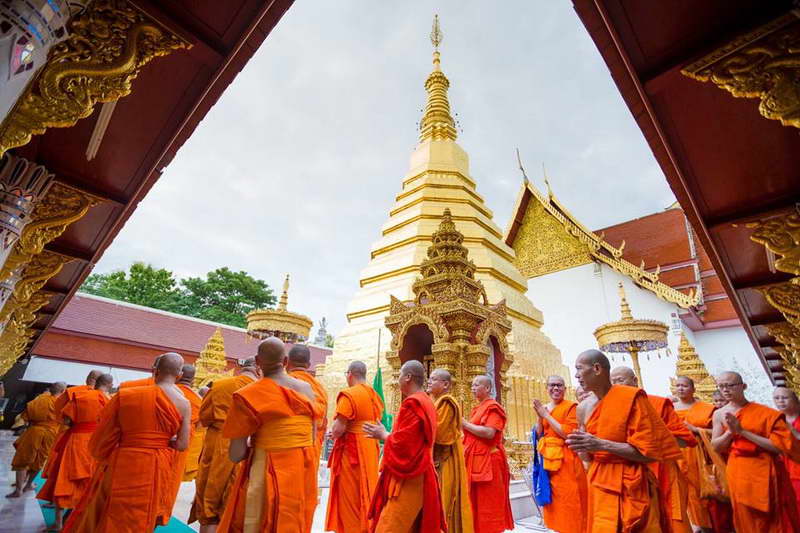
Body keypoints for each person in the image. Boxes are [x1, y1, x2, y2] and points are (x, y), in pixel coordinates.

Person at [63, 353, 191, 532]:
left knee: (110, 508)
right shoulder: (184, 403)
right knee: (142, 513)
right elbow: (183, 445)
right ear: (179, 375)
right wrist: (163, 441)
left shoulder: (127, 394)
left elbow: (105, 433)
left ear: (154, 370)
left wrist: (102, 455)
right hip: (156, 463)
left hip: (123, 459)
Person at [566, 350, 681, 533]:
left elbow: (650, 454)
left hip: (633, 483)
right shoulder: (583, 408)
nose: (576, 375)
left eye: (579, 368)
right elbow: (587, 457)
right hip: (600, 483)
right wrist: (580, 444)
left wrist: (602, 444)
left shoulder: (632, 399)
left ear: (597, 369)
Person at [216, 337, 318, 533]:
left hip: (266, 466)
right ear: (286, 362)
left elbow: (235, 454)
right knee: (293, 520)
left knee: (260, 520)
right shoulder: (306, 389)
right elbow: (311, 436)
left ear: (257, 361)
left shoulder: (247, 394)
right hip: (301, 466)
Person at [711, 372, 800, 532]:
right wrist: (730, 432)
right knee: (746, 517)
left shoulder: (766, 414)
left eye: (730, 385)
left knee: (775, 517)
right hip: (739, 471)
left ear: (743, 386)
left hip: (766, 469)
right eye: (721, 386)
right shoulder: (719, 414)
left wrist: (742, 431)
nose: (725, 390)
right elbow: (716, 446)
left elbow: (779, 447)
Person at [610, 366, 694, 533]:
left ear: (635, 381)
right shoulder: (609, 408)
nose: (616, 385)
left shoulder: (658, 403)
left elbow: (684, 440)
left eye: (620, 380)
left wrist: (653, 439)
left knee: (672, 520)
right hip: (628, 476)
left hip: (662, 471)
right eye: (612, 382)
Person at [364, 360, 444, 533]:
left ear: (408, 377)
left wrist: (383, 434)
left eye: (400, 374)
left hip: (410, 475)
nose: (398, 378)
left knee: (389, 527)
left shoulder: (413, 403)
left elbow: (405, 444)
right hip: (420, 471)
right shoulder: (426, 401)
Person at [191, 357, 261, 531]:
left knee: (210, 502)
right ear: (259, 369)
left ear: (240, 368)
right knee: (234, 501)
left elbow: (204, 419)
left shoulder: (220, 386)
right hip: (247, 446)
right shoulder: (262, 391)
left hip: (218, 445)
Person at [38, 373, 114, 530]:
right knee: (88, 483)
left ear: (93, 381)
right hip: (97, 445)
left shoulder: (80, 395)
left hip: (76, 441)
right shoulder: (111, 401)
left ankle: (58, 523)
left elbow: (65, 420)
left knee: (64, 479)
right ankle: (76, 520)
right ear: (110, 385)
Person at [325, 360, 384, 533]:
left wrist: (332, 433)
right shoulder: (374, 395)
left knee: (350, 495)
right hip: (369, 446)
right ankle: (367, 526)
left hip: (353, 451)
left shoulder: (349, 394)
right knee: (367, 488)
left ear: (350, 374)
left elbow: (339, 427)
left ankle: (353, 529)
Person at [533, 375, 587, 533]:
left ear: (564, 389)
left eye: (559, 385)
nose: (555, 388)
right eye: (552, 385)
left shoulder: (572, 407)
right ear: (547, 388)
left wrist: (545, 415)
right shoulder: (545, 408)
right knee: (553, 504)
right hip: (548, 462)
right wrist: (539, 417)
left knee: (570, 501)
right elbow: (539, 434)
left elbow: (567, 433)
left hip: (567, 461)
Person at [462, 375, 514, 533]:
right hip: (476, 460)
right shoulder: (477, 408)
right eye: (472, 384)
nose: (473, 387)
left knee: (489, 502)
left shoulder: (493, 407)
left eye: (477, 384)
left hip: (490, 462)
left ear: (488, 389)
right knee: (476, 503)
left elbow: (489, 433)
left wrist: (464, 424)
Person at [426, 368, 473, 533]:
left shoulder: (447, 403)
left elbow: (438, 434)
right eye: (429, 378)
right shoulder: (433, 402)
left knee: (445, 503)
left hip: (445, 460)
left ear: (445, 384)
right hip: (434, 460)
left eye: (433, 379)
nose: (429, 381)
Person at [7, 382, 66, 498]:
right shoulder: (63, 404)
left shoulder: (40, 399)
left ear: (50, 390)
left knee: (23, 460)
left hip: (34, 431)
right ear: (63, 391)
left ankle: (18, 490)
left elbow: (25, 416)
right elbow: (65, 422)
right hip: (51, 434)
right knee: (39, 460)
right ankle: (28, 484)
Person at [673, 376, 716, 532]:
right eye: (677, 385)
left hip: (702, 455)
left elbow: (718, 432)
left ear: (693, 388)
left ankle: (712, 524)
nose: (681, 388)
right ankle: (697, 524)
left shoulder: (707, 408)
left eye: (684, 385)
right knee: (687, 492)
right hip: (678, 456)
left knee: (705, 490)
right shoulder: (670, 409)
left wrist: (696, 430)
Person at [707, 390, 734, 533]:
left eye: (721, 401)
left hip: (733, 457)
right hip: (718, 458)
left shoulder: (735, 412)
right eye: (715, 401)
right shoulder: (714, 415)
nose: (718, 404)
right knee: (720, 494)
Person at [774, 386, 800, 513]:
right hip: (784, 468)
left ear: (796, 399)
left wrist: (792, 431)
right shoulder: (776, 419)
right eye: (776, 398)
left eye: (784, 398)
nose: (780, 401)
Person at [176, 365, 203, 484]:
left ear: (179, 375)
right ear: (193, 380)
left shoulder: (164, 391)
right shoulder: (198, 399)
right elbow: (199, 425)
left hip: (161, 438)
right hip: (186, 439)